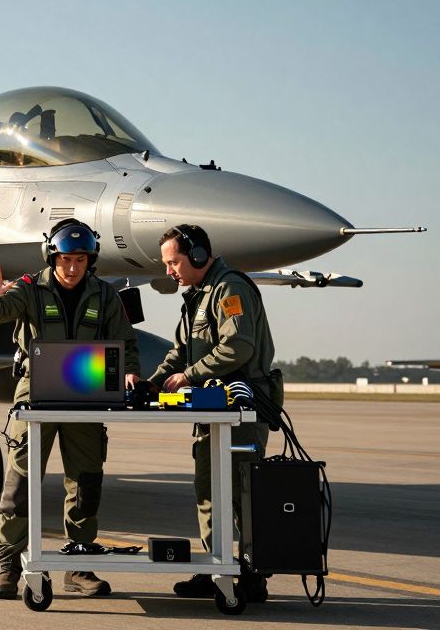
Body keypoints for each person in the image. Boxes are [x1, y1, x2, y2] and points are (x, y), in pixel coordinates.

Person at [0, 219, 141, 600]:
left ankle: (79, 566)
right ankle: (8, 566)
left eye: (80, 259)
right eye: (66, 259)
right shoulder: (31, 289)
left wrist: (130, 373)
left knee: (85, 483)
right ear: (53, 257)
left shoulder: (105, 296)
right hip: (36, 394)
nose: (72, 268)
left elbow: (126, 344)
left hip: (87, 395)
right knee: (20, 483)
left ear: (90, 260)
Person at [147, 224, 282, 602]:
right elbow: (179, 350)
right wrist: (152, 383)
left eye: (174, 263)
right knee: (208, 491)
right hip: (212, 409)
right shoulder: (197, 297)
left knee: (241, 494)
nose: (169, 271)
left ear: (198, 256)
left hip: (241, 409)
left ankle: (253, 577)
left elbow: (237, 347)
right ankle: (213, 567)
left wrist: (187, 377)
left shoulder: (230, 290)